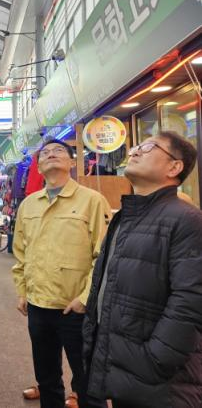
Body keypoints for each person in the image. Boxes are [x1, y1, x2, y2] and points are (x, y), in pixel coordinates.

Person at [83, 131, 202, 408]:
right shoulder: (126, 218)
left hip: (163, 381)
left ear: (174, 167)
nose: (134, 151)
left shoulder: (187, 219)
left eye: (149, 147)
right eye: (136, 146)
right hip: (126, 369)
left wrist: (156, 359)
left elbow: (191, 299)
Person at [12, 138, 111, 408]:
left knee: (87, 382)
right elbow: (20, 252)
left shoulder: (92, 200)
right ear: (38, 167)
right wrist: (23, 291)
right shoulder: (28, 204)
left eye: (58, 151)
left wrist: (85, 299)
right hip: (38, 305)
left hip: (75, 308)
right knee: (46, 377)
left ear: (72, 162)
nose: (51, 154)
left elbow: (103, 255)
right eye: (45, 153)